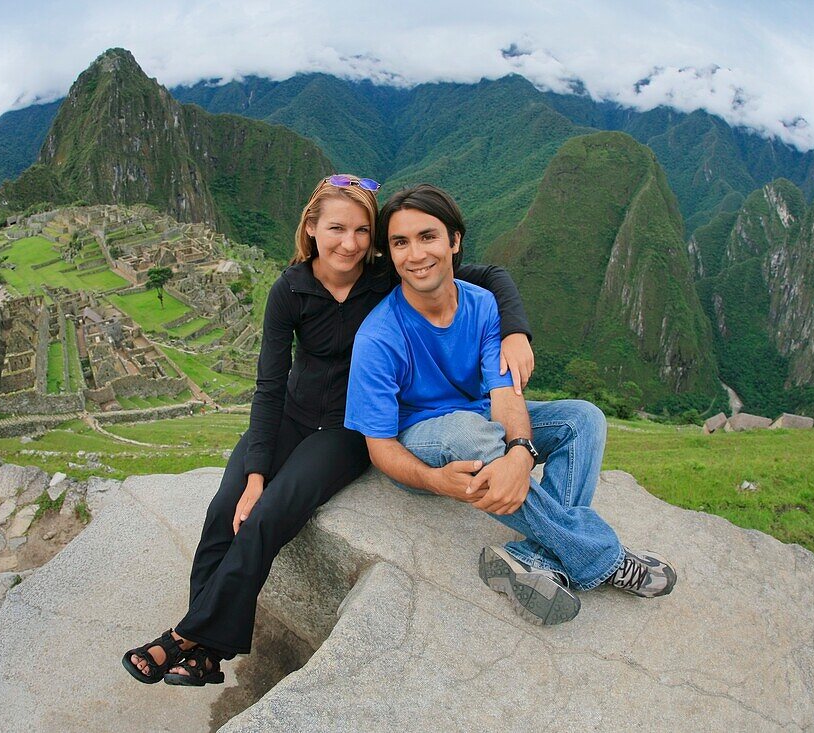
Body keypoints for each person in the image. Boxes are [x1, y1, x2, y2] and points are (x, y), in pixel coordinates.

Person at [122, 174, 536, 685]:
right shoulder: (289, 290)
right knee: (223, 509)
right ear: (311, 228)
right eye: (338, 229)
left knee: (269, 517)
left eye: (364, 231)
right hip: (292, 413)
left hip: (345, 429)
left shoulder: (385, 276)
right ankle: (208, 652)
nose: (351, 243)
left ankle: (184, 638)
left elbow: (488, 275)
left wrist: (515, 330)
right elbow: (269, 386)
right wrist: (254, 475)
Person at [344, 183, 676, 626]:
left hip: (483, 424)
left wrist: (520, 451)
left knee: (584, 418)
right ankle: (602, 557)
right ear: (389, 253)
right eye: (400, 243)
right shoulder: (378, 336)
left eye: (428, 237)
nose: (415, 254)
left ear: (454, 241)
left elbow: (505, 395)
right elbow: (380, 446)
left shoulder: (481, 304)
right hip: (423, 442)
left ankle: (536, 558)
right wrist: (434, 481)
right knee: (467, 430)